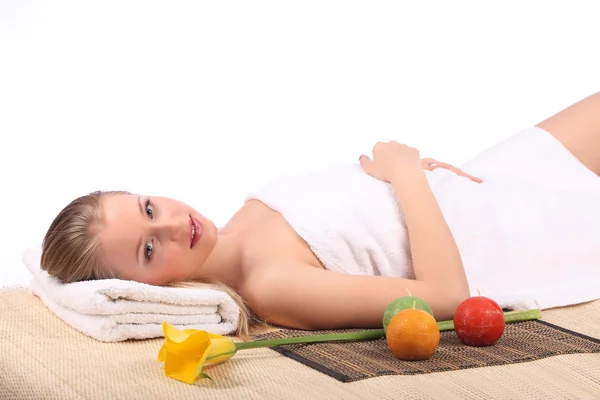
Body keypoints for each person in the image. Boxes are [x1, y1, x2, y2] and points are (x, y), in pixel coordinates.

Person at [40, 92, 600, 337]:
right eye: (148, 248)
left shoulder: (244, 216)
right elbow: (449, 296)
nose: (169, 224)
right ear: (148, 291)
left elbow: (362, 215)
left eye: (148, 208)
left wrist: (409, 176)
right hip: (516, 233)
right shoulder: (274, 286)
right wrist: (403, 174)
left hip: (485, 183)